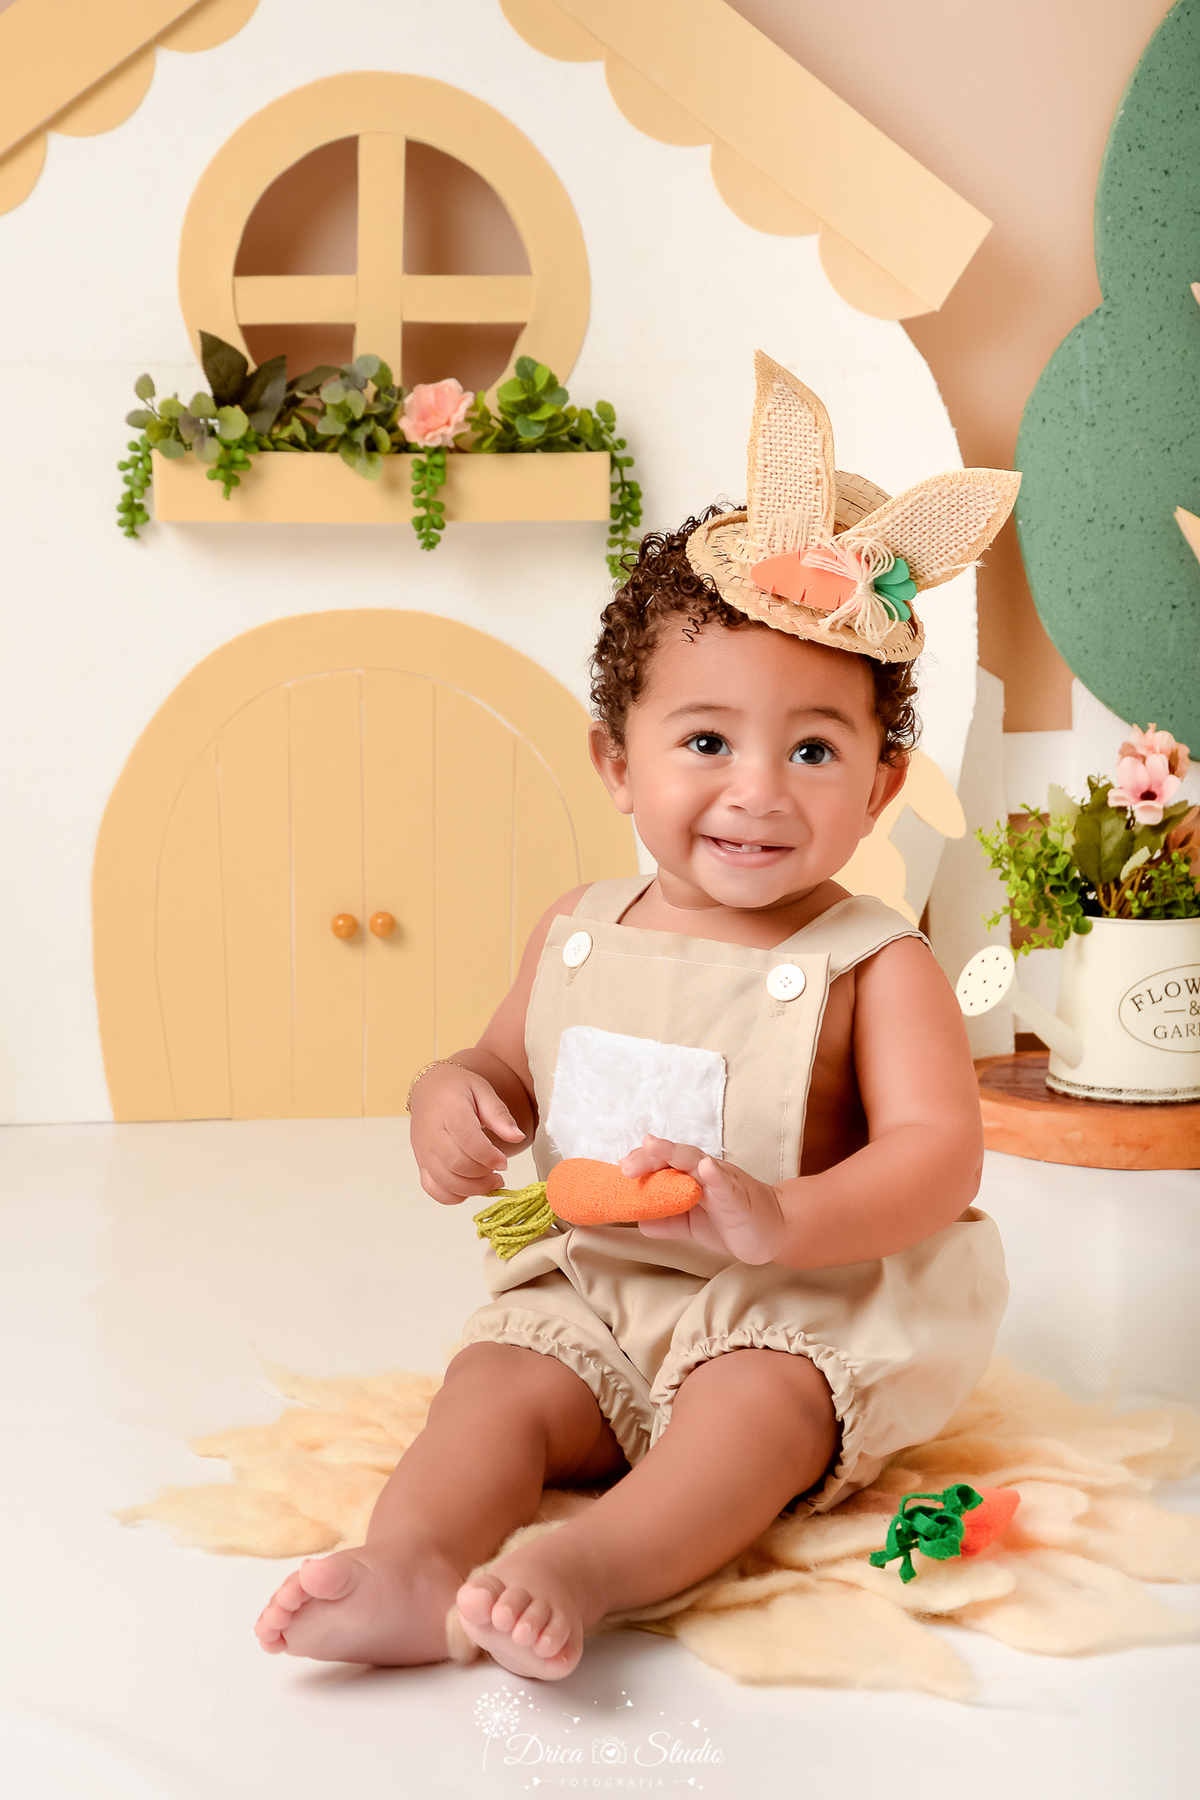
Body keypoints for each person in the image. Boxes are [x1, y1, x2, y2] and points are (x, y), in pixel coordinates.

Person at [254, 353, 1020, 1680]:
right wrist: (455, 1097)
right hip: (599, 1293)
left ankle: (585, 1564)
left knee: (753, 1421)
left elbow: (935, 1157)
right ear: (619, 762)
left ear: (883, 785)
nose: (758, 793)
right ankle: (415, 1557)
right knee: (492, 1387)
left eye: (815, 749)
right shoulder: (579, 927)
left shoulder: (873, 960)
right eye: (708, 742)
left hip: (786, 1304)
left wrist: (780, 1221)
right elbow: (501, 1059)